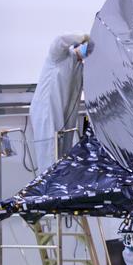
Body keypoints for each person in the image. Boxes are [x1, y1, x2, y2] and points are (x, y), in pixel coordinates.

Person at [26, 33, 89, 169]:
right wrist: (82, 37)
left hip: (64, 117)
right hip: (46, 112)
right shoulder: (59, 56)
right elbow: (60, 40)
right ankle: (47, 188)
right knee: (49, 156)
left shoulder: (80, 68)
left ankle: (58, 186)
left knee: (63, 157)